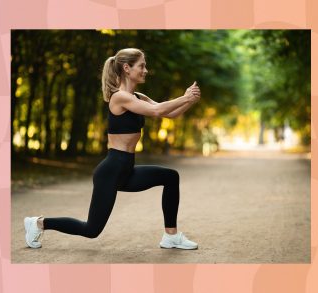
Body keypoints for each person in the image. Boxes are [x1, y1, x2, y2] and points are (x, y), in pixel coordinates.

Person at [24, 48, 201, 250]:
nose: (146, 70)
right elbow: (157, 110)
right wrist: (185, 97)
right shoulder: (119, 98)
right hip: (111, 171)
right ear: (127, 68)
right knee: (91, 230)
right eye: (142, 66)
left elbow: (168, 114)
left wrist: (190, 101)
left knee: (170, 177)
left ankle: (171, 236)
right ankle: (38, 223)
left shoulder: (137, 96)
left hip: (126, 169)